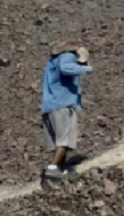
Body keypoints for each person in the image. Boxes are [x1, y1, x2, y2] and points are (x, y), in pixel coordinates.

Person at [40, 43, 93, 179]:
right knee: (65, 141)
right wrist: (87, 68)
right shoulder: (67, 57)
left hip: (49, 106)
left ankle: (61, 169)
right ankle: (52, 168)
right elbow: (66, 68)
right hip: (62, 105)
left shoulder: (52, 61)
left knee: (61, 143)